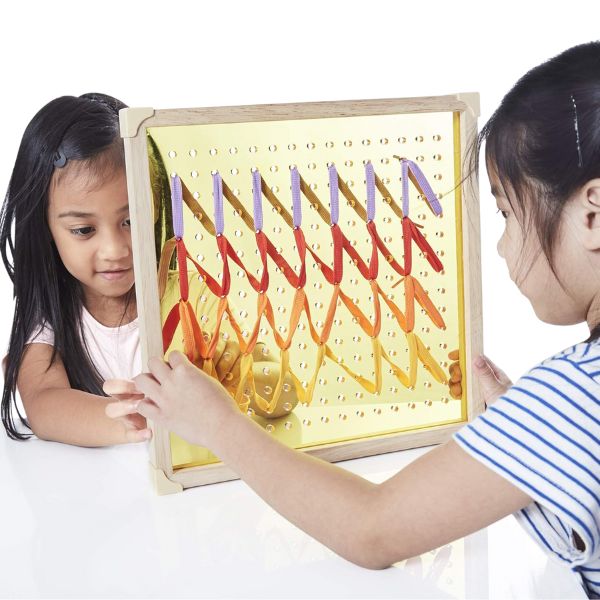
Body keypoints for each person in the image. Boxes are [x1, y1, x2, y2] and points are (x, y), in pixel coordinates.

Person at [106, 42, 600, 597]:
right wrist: (525, 430)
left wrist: (218, 425)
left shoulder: (572, 396)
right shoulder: (571, 402)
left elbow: (372, 530)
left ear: (593, 214)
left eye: (508, 212)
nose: (502, 245)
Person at [0, 93, 292, 447]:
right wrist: (134, 419)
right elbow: (44, 403)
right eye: (84, 230)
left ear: (154, 206)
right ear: (44, 229)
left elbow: (280, 400)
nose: (115, 250)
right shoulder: (49, 311)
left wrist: (257, 374)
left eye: (130, 220)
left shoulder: (190, 297)